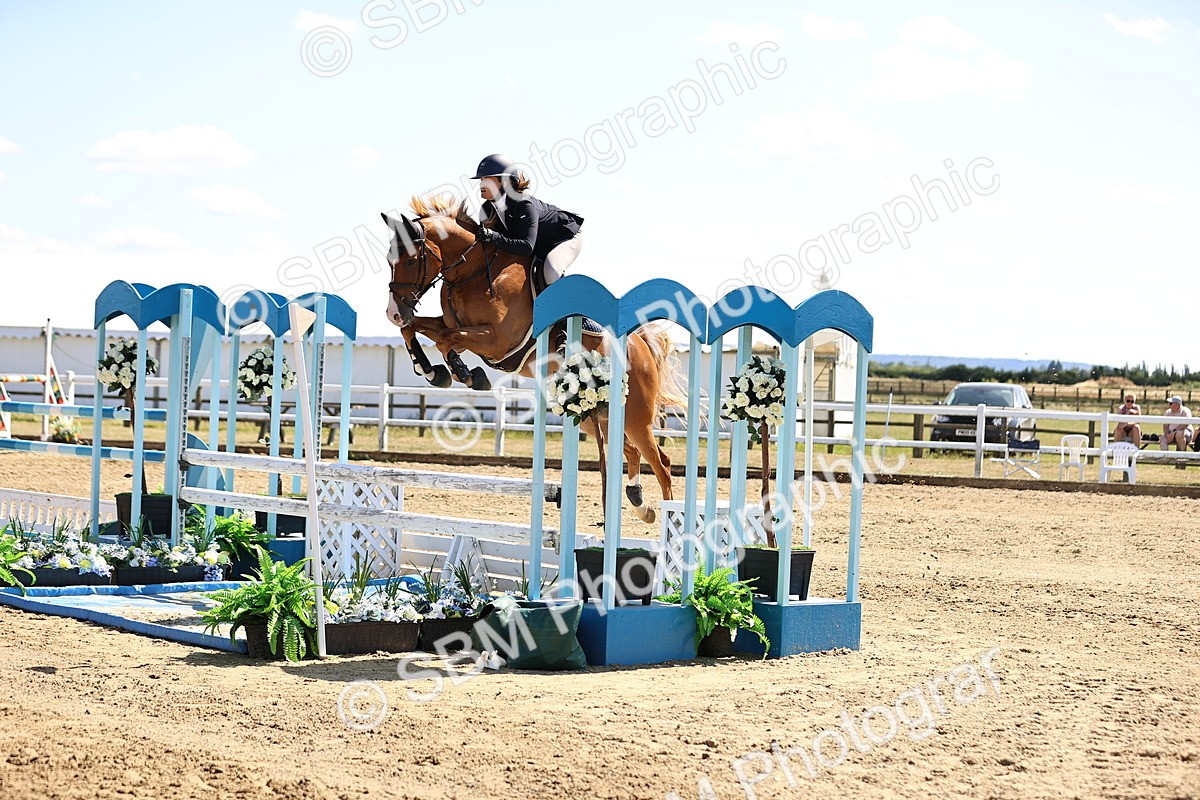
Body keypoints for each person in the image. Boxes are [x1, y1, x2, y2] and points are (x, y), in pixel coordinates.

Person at [470, 154, 584, 287]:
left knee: (551, 271)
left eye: (487, 179)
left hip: (565, 236)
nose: (481, 184)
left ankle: (566, 305)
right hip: (536, 243)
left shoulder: (524, 205)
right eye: (481, 179)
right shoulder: (486, 210)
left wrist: (492, 236)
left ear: (505, 182)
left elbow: (526, 247)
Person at [1161, 395, 1193, 468]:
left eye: (1171, 403)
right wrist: (1167, 434)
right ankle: (1165, 457)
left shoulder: (1185, 411)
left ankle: (1182, 458)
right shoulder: (1168, 412)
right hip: (1171, 433)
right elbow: (1165, 425)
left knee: (1179, 434)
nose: (1169, 405)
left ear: (1177, 404)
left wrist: (1174, 431)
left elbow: (1186, 424)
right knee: (1163, 438)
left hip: (1185, 433)